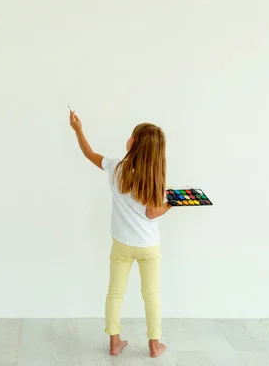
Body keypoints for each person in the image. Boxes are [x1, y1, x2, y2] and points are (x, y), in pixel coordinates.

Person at [69, 110, 170, 358]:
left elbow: (88, 153)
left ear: (133, 142)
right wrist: (170, 204)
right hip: (148, 246)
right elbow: (151, 213)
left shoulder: (116, 168)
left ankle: (115, 342)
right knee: (152, 295)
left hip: (122, 244)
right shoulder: (154, 179)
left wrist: (78, 130)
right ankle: (154, 345)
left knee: (115, 292)